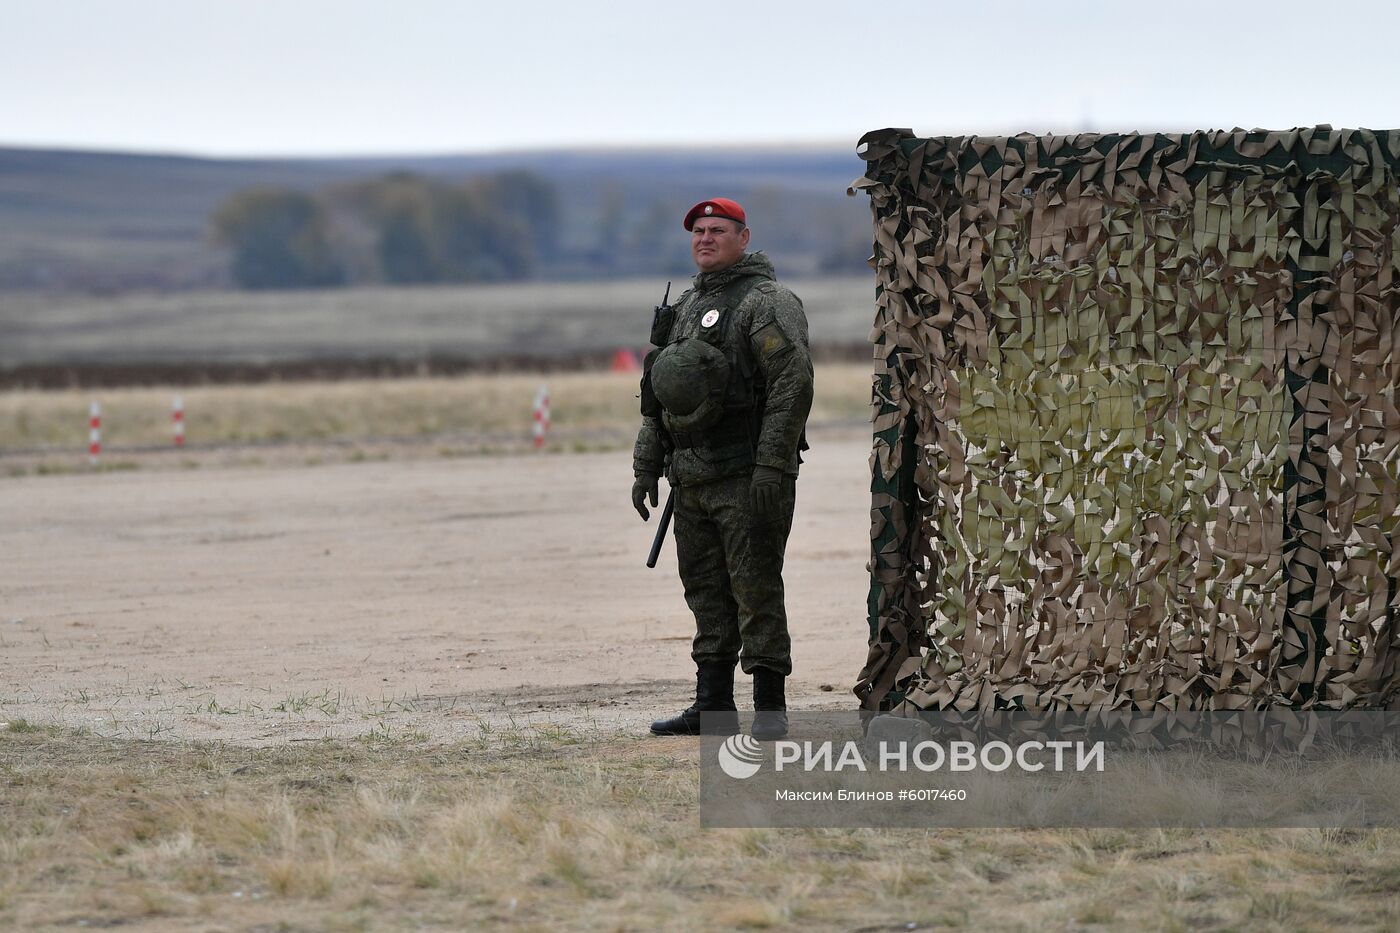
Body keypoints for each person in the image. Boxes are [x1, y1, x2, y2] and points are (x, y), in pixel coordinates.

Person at [632, 197, 813, 740]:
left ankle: (770, 711)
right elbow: (656, 393)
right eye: (698, 231)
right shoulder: (687, 305)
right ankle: (711, 707)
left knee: (755, 588)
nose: (705, 238)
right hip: (691, 476)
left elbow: (792, 383)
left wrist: (772, 466)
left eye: (717, 230)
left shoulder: (767, 302)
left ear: (743, 236)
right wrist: (647, 465)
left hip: (745, 474)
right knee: (704, 591)